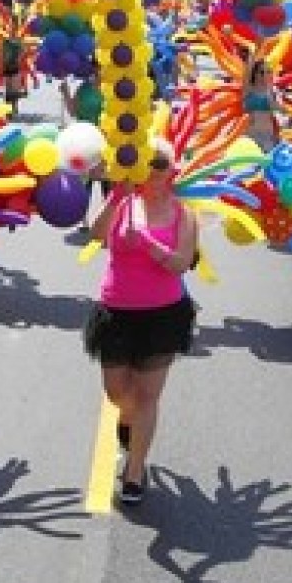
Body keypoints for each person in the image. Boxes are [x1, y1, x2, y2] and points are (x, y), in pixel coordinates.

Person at [84, 137, 199, 507]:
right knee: (118, 392)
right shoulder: (123, 203)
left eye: (160, 163)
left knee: (148, 395)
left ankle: (134, 472)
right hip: (116, 310)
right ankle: (127, 423)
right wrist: (116, 196)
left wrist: (148, 243)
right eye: (146, 162)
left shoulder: (184, 215)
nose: (152, 170)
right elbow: (96, 234)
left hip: (162, 315)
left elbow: (182, 262)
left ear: (172, 173)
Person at [242, 55, 279, 151]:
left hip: (267, 135)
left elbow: (275, 109)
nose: (264, 75)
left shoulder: (271, 90)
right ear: (255, 74)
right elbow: (247, 73)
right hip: (249, 135)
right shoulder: (249, 90)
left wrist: (269, 89)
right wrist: (255, 52)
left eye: (267, 72)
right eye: (261, 72)